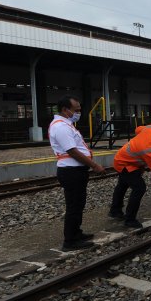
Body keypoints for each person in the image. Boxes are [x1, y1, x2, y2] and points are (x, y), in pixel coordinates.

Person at [49, 95, 106, 251]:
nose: (79, 112)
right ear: (65, 110)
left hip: (76, 171)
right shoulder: (61, 127)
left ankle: (77, 233)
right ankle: (70, 241)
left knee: (79, 204)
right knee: (74, 206)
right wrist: (94, 165)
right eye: (76, 110)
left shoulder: (67, 124)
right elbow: (72, 151)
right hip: (71, 172)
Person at [109, 122, 151, 228]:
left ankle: (115, 210)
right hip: (125, 164)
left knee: (122, 185)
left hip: (123, 158)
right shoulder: (150, 151)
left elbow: (137, 129)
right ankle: (130, 220)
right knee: (139, 188)